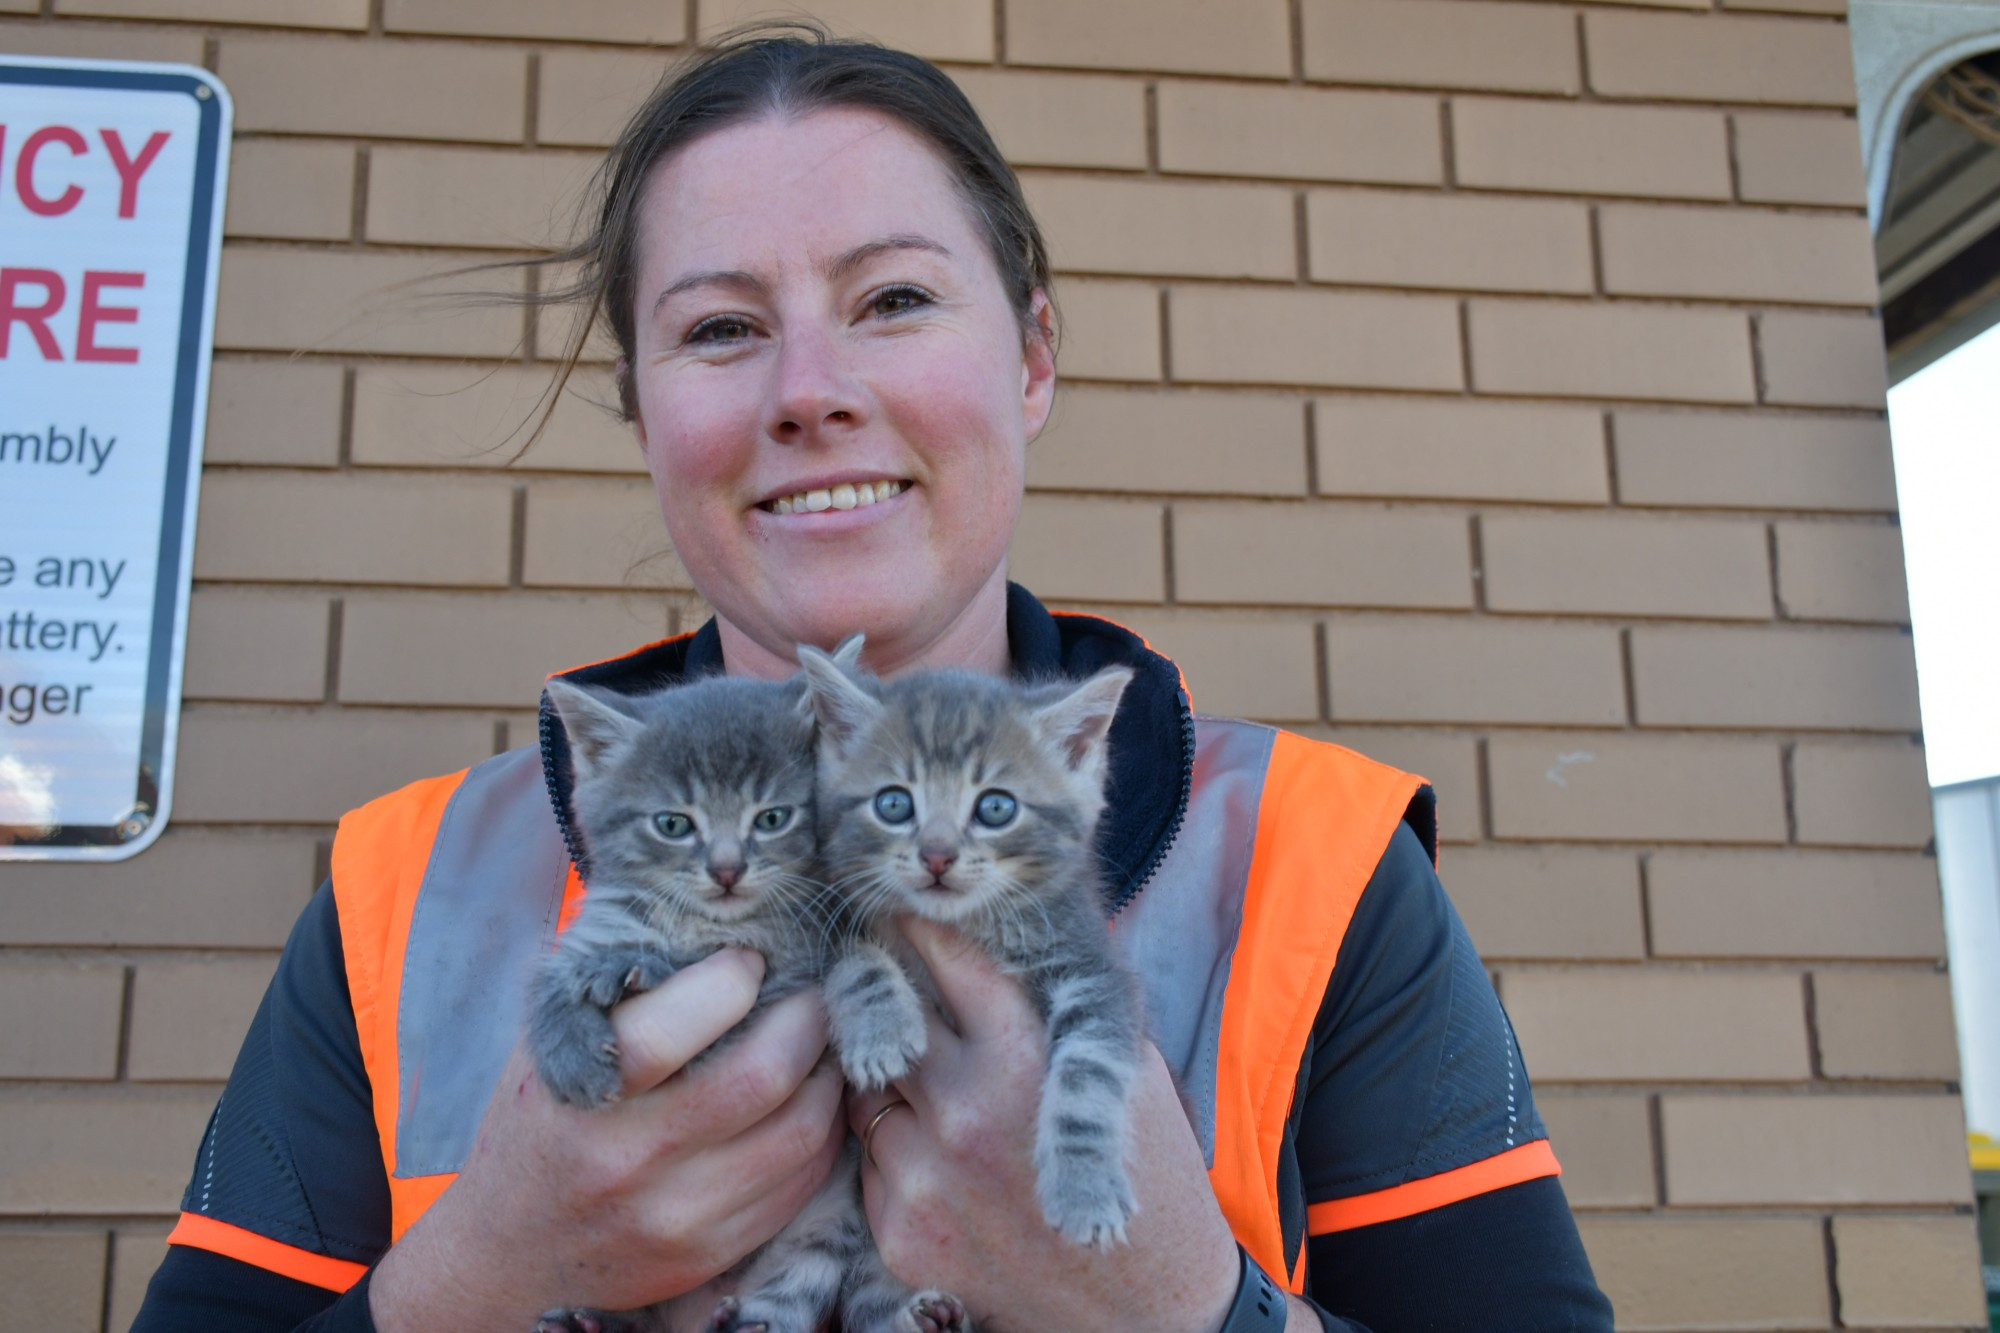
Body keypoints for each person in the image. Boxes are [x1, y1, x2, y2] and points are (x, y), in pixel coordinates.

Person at [134, 28, 1613, 1333]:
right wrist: (471, 1281)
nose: (810, 389)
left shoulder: (1311, 864)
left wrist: (1185, 1308)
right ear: (640, 409)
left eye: (894, 299)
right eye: (720, 328)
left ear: (1033, 357)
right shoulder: (412, 892)